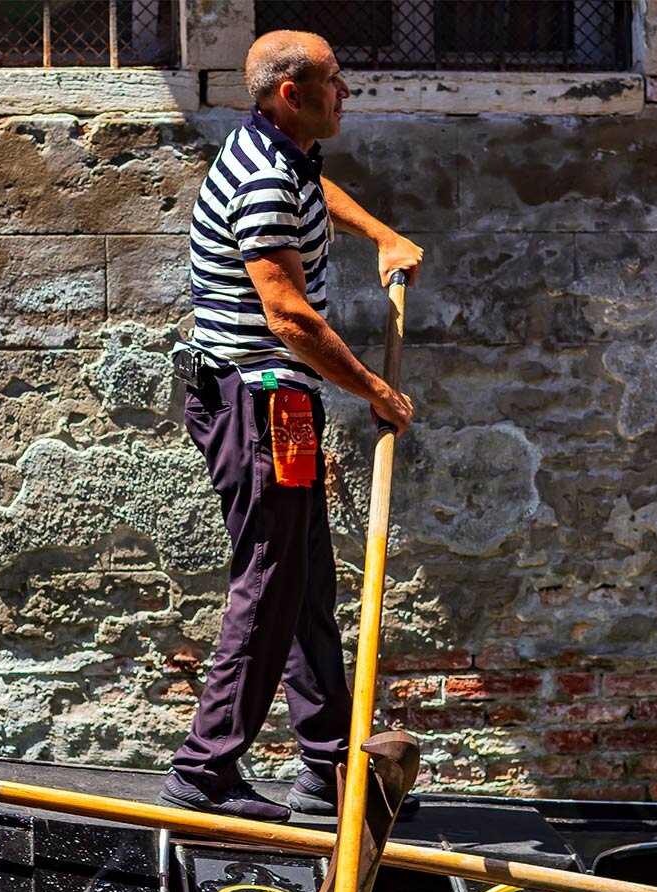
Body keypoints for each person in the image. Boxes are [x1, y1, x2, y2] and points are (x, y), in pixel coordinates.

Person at [160, 30, 423, 822]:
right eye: (333, 82)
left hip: (280, 403)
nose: (345, 93)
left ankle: (327, 769)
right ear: (290, 94)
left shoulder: (283, 154)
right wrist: (376, 390)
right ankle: (203, 772)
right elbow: (289, 316)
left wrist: (381, 236)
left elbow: (317, 190)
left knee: (307, 581)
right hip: (259, 398)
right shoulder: (267, 176)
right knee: (271, 582)